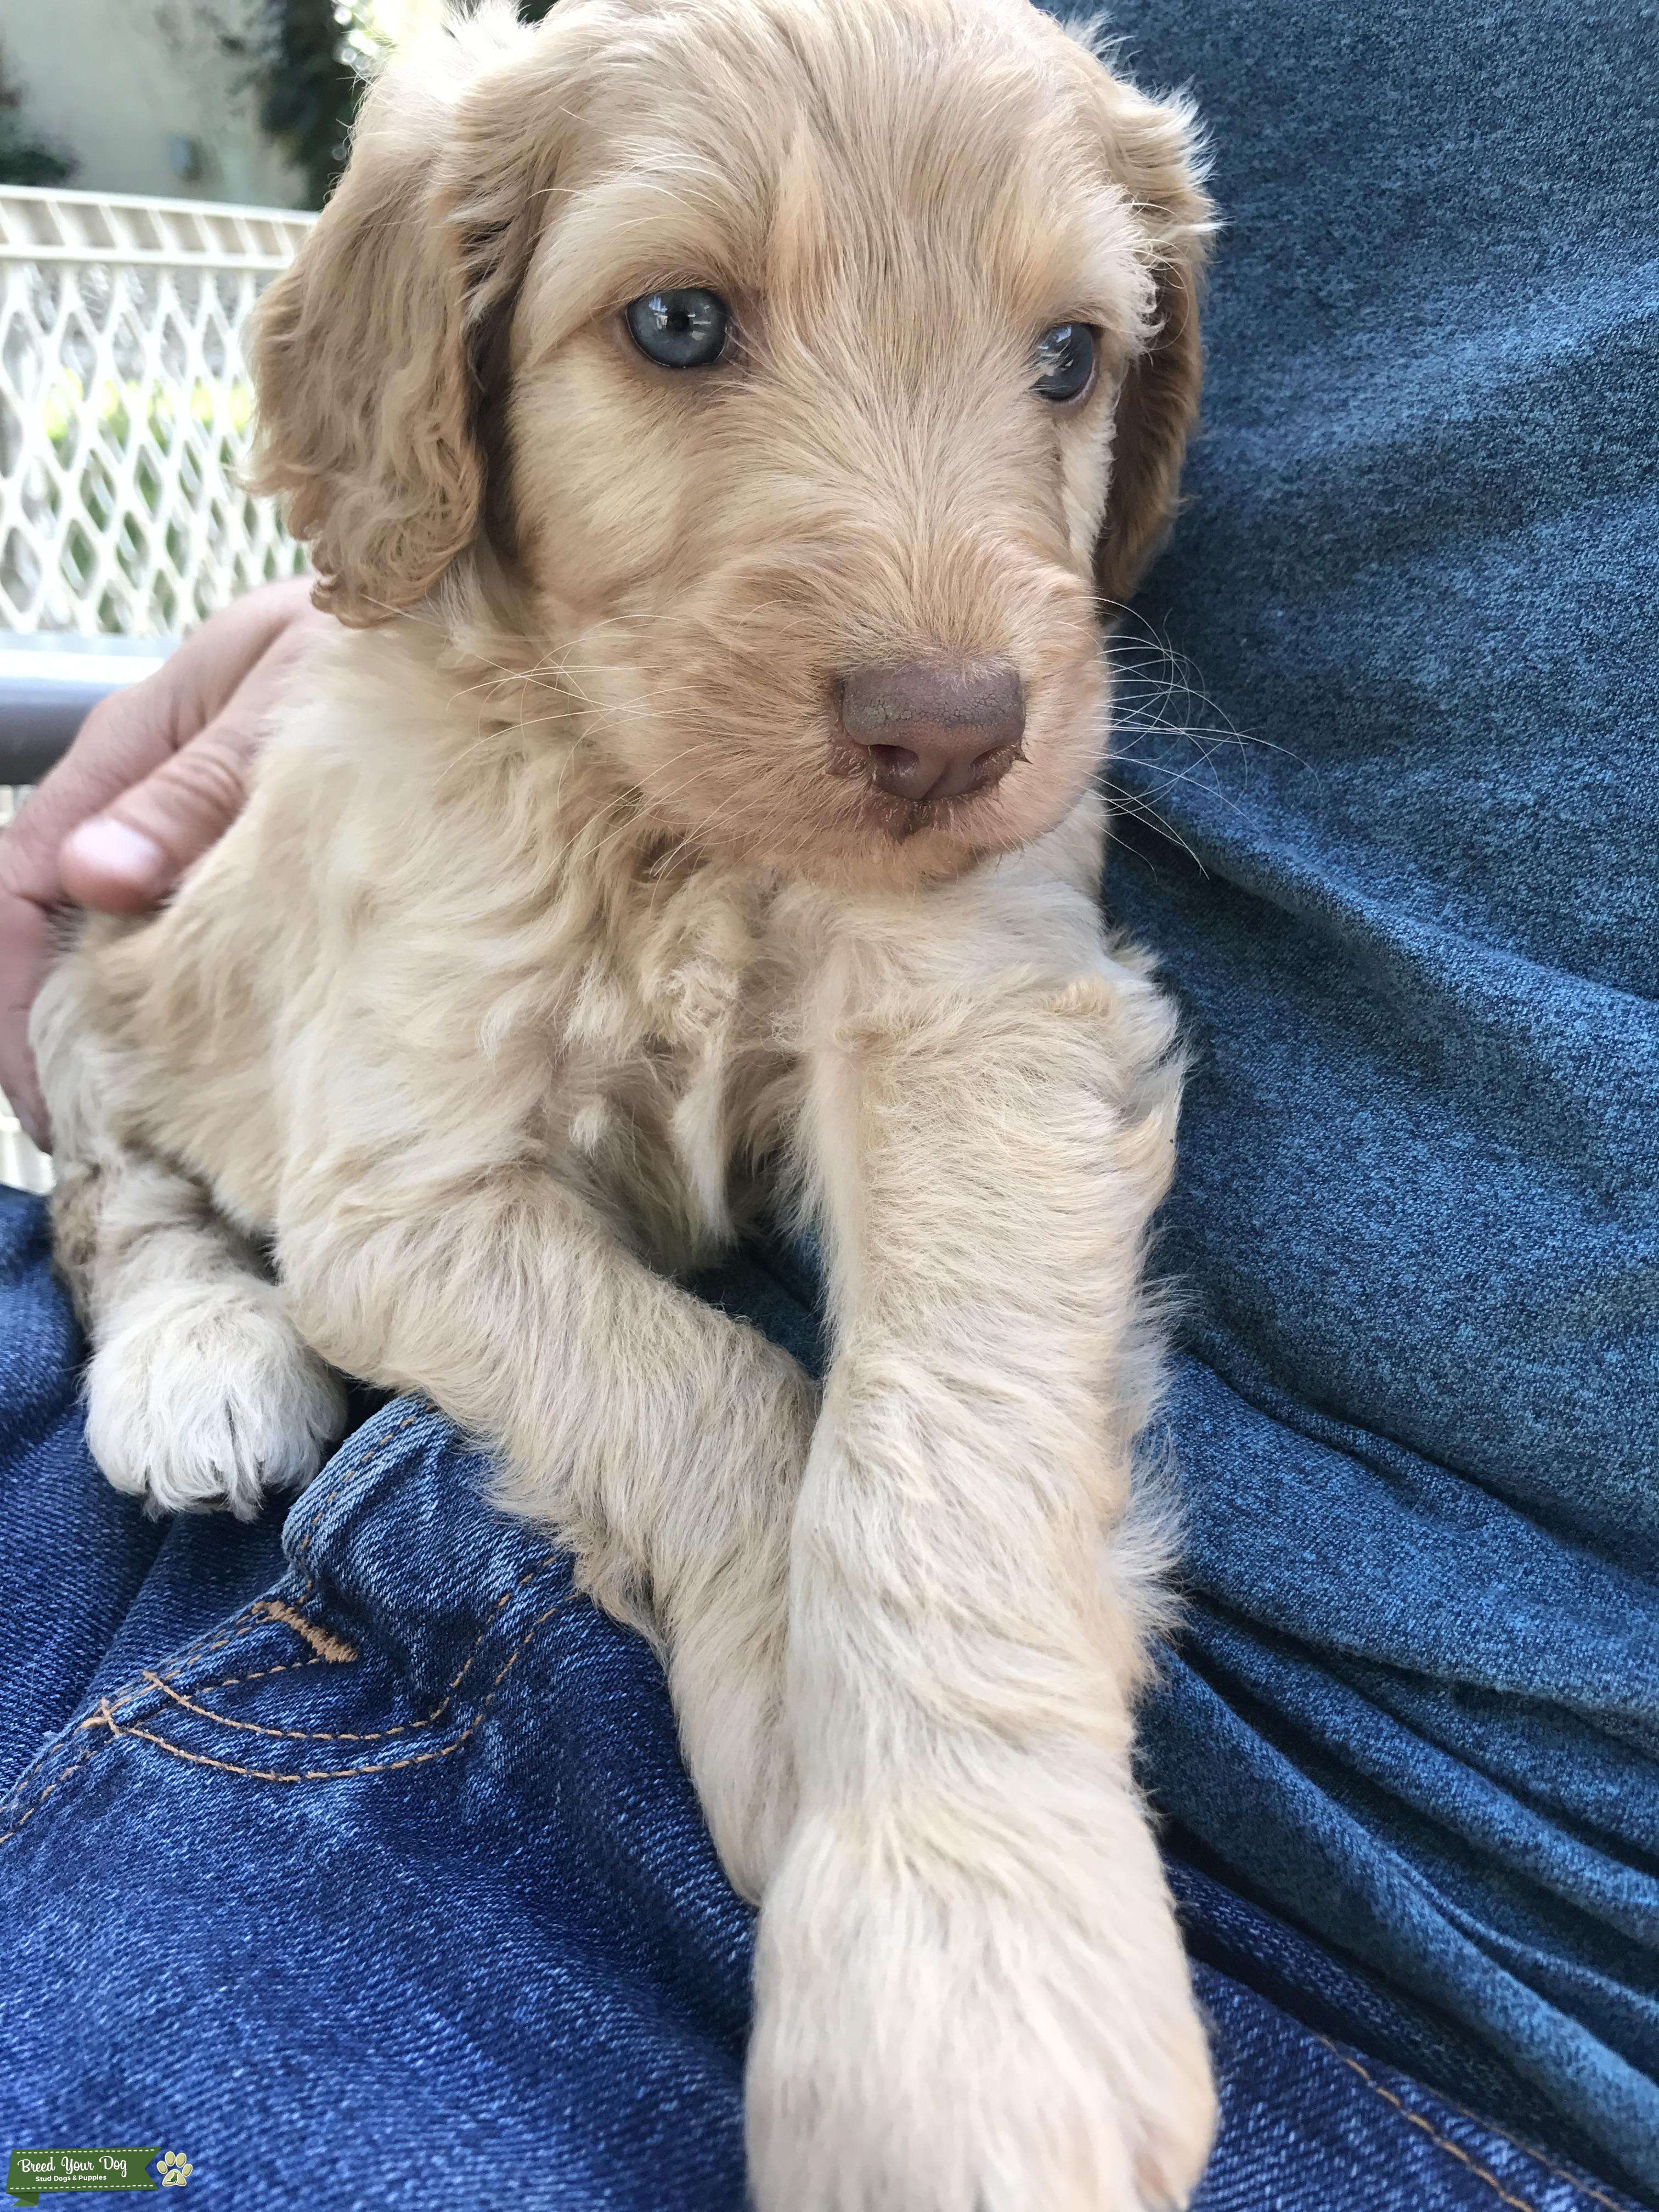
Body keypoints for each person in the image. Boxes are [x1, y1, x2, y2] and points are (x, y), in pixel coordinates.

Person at [1, 0, 1652, 2203]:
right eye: (680, 326)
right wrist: (727, 1513)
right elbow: (397, 1215)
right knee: (131, 1067)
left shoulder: (966, 767)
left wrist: (936, 1746)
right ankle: (150, 1246)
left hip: (1385, 1930)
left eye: (1064, 363)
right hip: (336, 1398)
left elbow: (996, 1064)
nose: (944, 654)